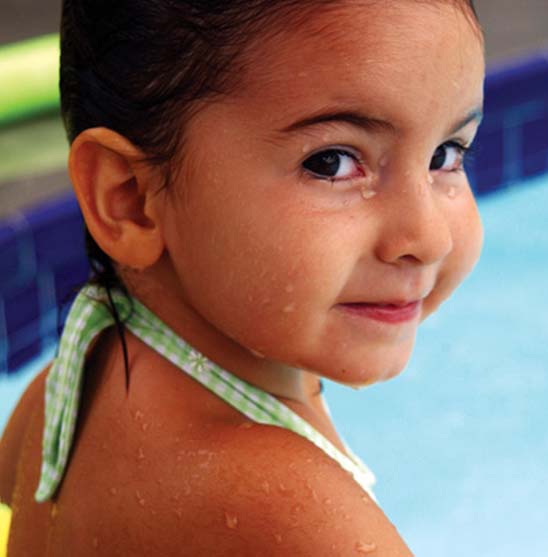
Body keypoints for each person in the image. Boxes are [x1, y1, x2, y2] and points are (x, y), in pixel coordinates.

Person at [0, 0, 485, 554]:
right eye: (331, 162)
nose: (428, 238)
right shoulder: (294, 517)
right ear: (130, 200)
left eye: (446, 153)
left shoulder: (63, 389)